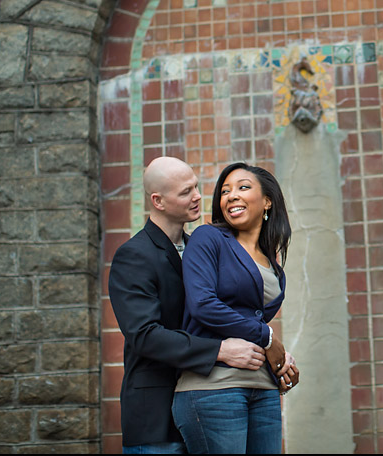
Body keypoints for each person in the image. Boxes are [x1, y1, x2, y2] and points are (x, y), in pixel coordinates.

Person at [109, 157, 269, 454]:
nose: (197, 196)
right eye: (185, 192)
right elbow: (144, 335)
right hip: (157, 421)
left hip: (211, 409)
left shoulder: (202, 247)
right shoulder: (133, 255)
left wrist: (271, 347)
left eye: (196, 187)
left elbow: (229, 313)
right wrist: (220, 350)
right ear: (158, 201)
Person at [172, 162, 300, 454]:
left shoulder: (273, 265)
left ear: (267, 201)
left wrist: (280, 358)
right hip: (213, 390)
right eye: (225, 191)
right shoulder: (209, 238)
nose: (231, 196)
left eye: (243, 187)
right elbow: (203, 304)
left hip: (265, 391)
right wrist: (268, 338)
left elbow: (247, 321)